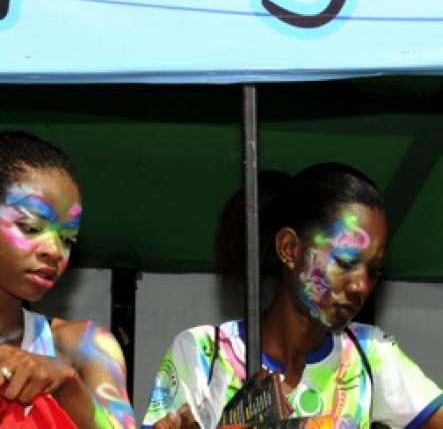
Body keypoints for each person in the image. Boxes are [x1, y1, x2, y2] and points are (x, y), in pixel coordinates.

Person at [142, 163, 443, 429]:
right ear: (289, 249)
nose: (361, 286)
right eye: (346, 262)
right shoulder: (204, 354)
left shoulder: (371, 354)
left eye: (374, 270)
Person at [0, 130, 136, 428]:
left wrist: (66, 384)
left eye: (67, 239)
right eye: (31, 227)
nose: (54, 251)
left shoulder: (83, 345)